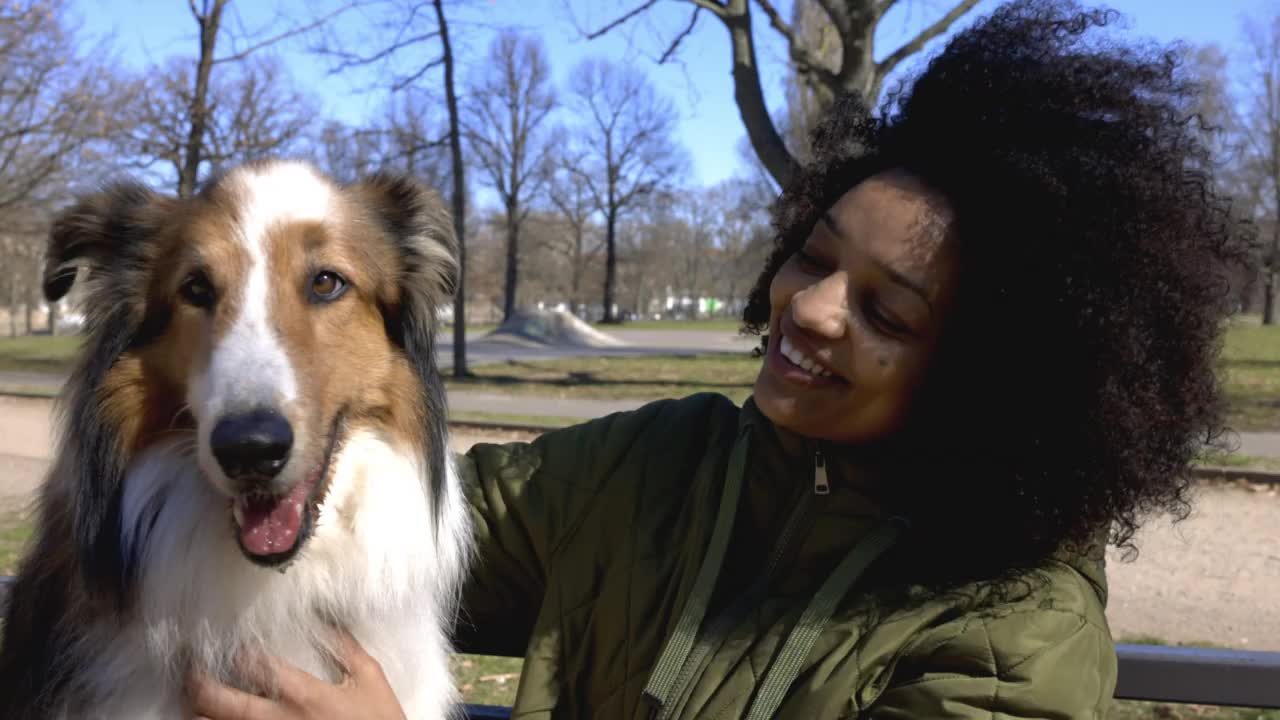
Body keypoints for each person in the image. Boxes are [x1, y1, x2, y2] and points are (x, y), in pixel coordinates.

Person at [187, 0, 1253, 717]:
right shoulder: (660, 464)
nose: (814, 307)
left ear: (983, 376)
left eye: (887, 312)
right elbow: (408, 524)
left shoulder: (1015, 633)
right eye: (813, 254)